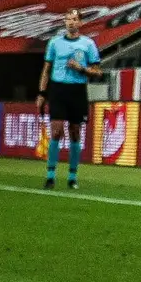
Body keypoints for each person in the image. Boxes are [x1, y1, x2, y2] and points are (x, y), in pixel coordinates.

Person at [37, 10, 102, 190]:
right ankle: (50, 176)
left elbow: (98, 71)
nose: (71, 22)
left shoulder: (88, 44)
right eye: (68, 19)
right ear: (64, 22)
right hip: (58, 90)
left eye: (74, 19)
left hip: (77, 90)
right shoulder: (55, 43)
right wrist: (42, 93)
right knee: (56, 131)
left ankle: (72, 177)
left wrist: (81, 68)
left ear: (80, 23)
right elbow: (46, 69)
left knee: (75, 133)